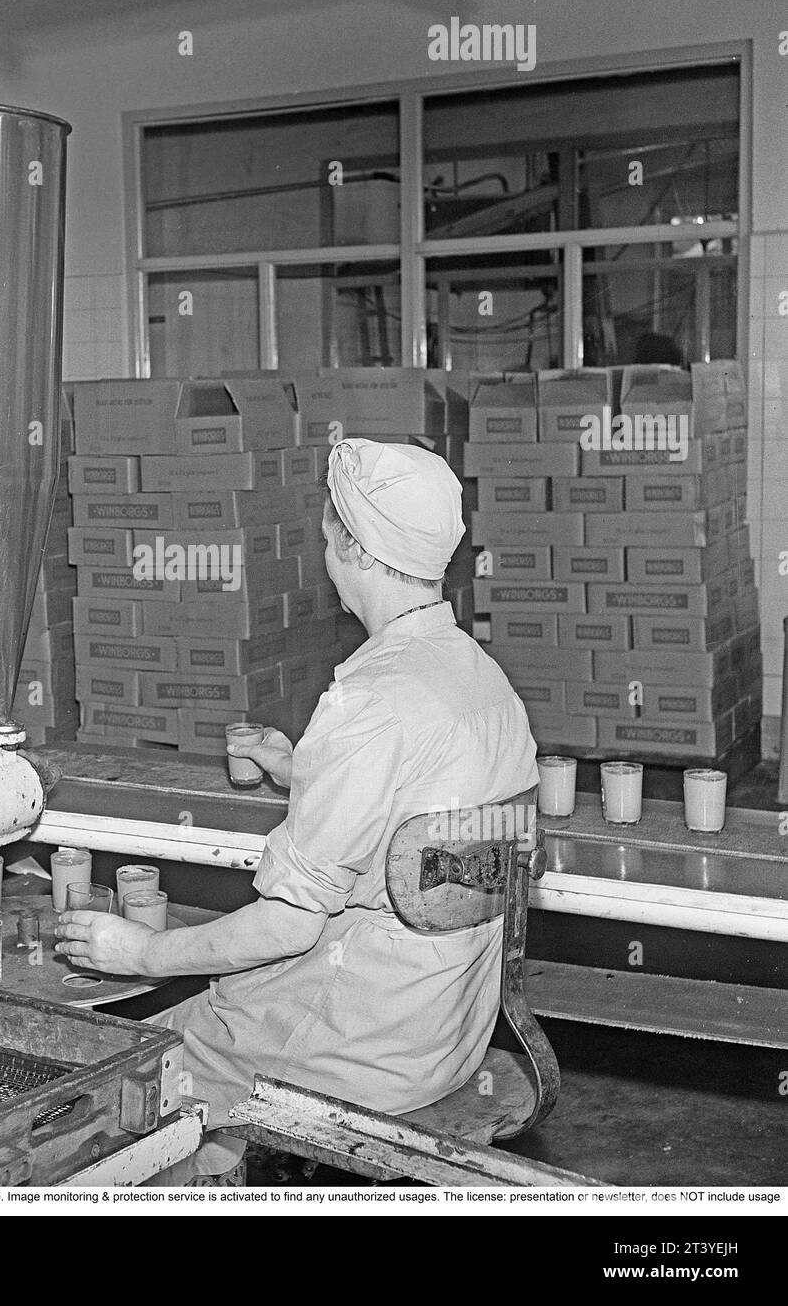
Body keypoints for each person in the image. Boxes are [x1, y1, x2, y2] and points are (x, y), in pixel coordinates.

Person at [55, 439, 537, 1182]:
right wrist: (305, 768)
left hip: (355, 1050)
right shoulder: (484, 682)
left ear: (354, 549)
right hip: (445, 1038)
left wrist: (140, 952)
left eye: (327, 530)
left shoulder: (368, 704)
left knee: (109, 1077)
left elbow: (287, 926)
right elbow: (423, 822)